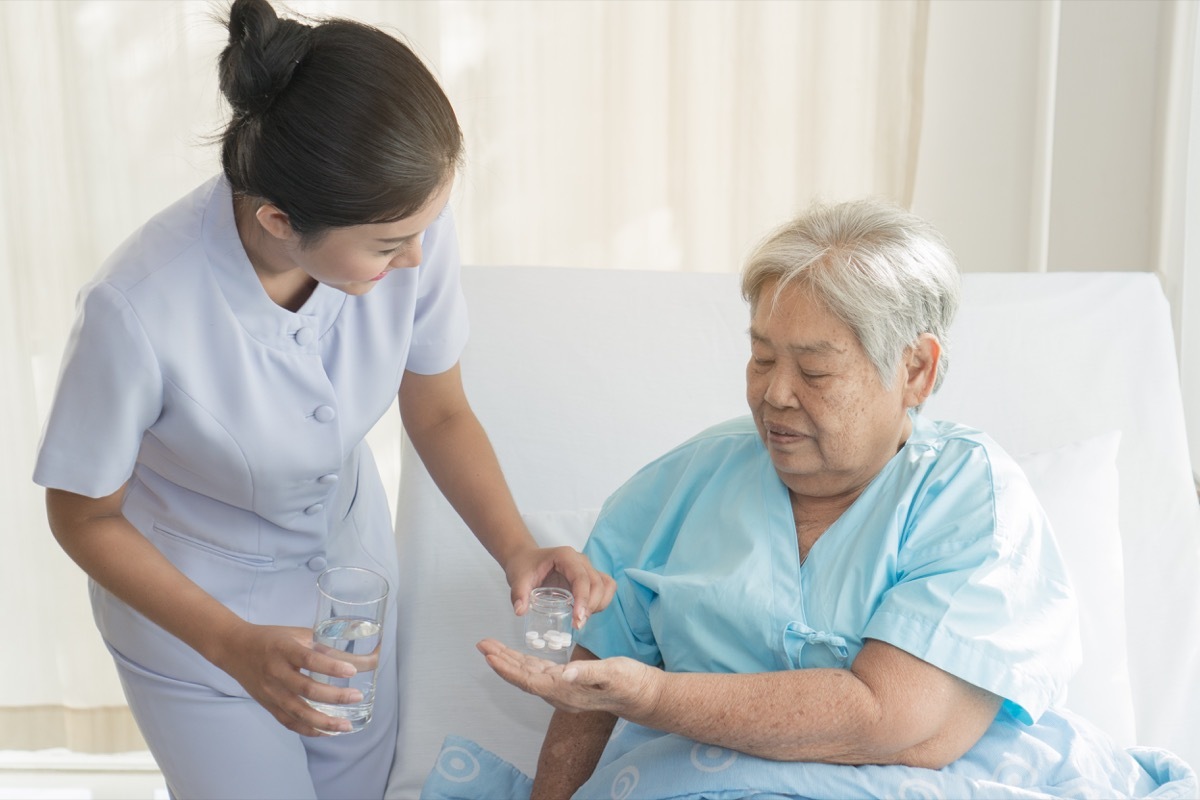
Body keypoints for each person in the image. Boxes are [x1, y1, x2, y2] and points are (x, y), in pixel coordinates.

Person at [32, 2, 613, 798]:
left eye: (423, 228)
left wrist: (517, 548)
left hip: (350, 588)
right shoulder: (137, 309)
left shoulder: (401, 219)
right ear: (278, 220)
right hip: (196, 615)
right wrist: (231, 644)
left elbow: (438, 410)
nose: (414, 257)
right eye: (386, 245)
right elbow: (83, 515)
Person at [471, 198, 1174, 799]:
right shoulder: (683, 483)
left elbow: (884, 717)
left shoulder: (969, 497)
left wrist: (656, 697)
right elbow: (590, 688)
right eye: (762, 358)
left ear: (915, 369)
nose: (775, 393)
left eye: (814, 368)